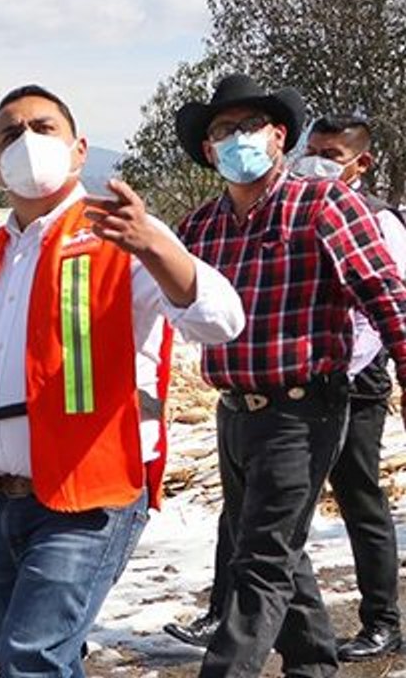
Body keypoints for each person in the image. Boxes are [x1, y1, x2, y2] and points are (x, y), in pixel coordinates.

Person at [0, 85, 244, 677]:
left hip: (92, 494)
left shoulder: (122, 236)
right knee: (42, 655)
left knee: (31, 659)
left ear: (79, 151)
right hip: (2, 502)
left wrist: (156, 247)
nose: (28, 142)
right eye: (10, 134)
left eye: (44, 128)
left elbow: (222, 322)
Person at [173, 74, 406, 677]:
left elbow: (386, 296)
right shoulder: (200, 228)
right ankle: (313, 668)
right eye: (224, 130)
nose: (238, 139)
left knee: (261, 563)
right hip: (232, 412)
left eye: (251, 126)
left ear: (279, 137)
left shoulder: (325, 205)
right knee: (281, 553)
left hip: (305, 409)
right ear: (208, 149)